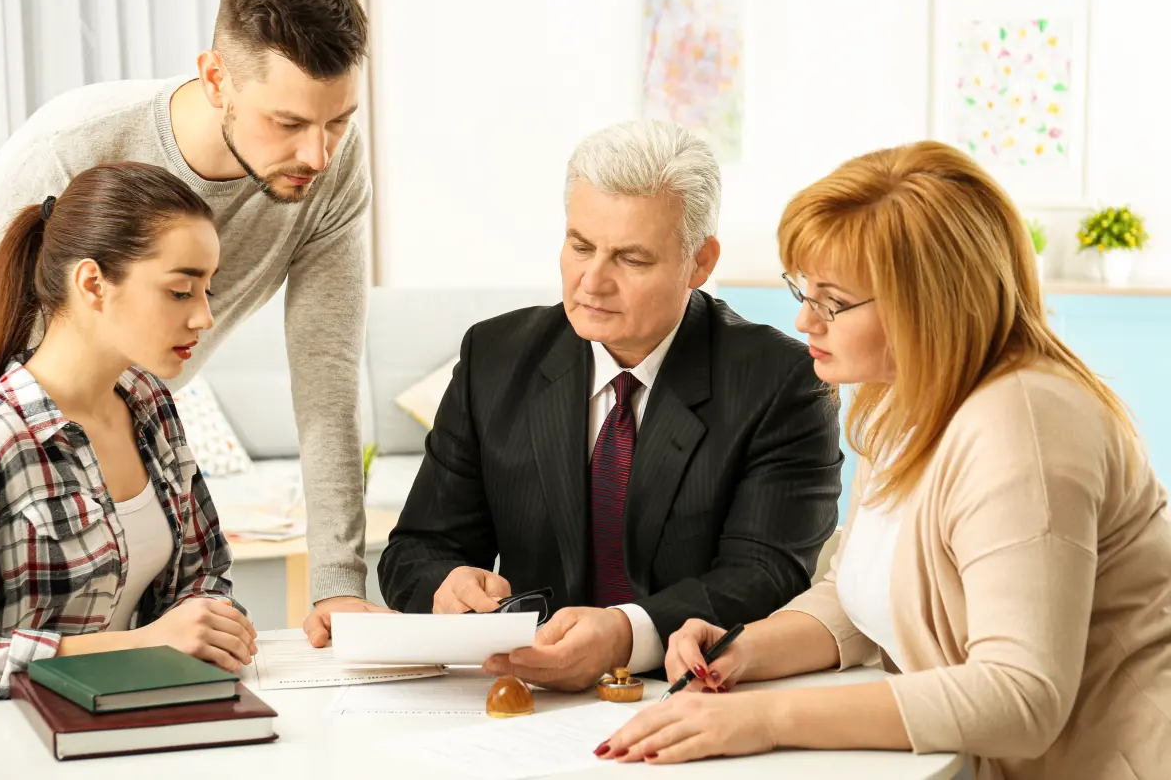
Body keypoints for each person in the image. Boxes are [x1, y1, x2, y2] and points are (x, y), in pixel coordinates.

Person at [597, 141, 1171, 778]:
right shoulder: (900, 398)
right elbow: (863, 590)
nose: (804, 319)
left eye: (832, 301)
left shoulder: (1021, 427)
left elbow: (1020, 695)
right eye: (803, 289)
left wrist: (763, 721)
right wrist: (745, 649)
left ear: (930, 305)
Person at [0, 0, 385, 643]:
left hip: (126, 414)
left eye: (339, 121)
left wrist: (339, 588)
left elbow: (327, 381)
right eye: (287, 123)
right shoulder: (76, 144)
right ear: (216, 77)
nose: (317, 154)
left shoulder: (334, 172)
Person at [378, 119, 843, 691]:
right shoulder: (493, 357)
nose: (591, 282)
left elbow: (766, 574)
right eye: (580, 246)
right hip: (524, 697)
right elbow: (415, 551)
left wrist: (626, 633)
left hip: (691, 695)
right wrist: (446, 585)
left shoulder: (782, 381)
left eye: (631, 259)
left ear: (700, 262)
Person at [0, 163, 258, 753]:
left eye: (209, 290)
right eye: (181, 290)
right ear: (93, 283)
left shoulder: (150, 402)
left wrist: (210, 620)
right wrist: (148, 643)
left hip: (136, 716)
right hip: (16, 741)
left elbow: (204, 573)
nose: (204, 315)